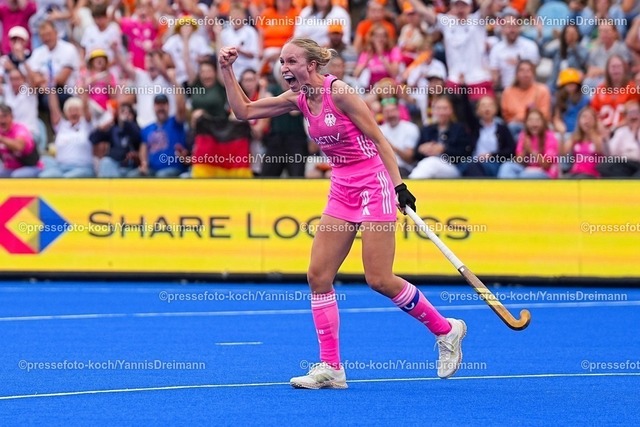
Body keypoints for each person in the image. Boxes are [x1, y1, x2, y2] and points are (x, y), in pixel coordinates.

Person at [219, 38, 466, 389]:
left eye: (291, 61)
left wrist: (399, 186)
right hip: (341, 186)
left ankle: (445, 330)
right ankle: (331, 368)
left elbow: (379, 140)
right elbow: (244, 112)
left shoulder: (342, 93)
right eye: (282, 62)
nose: (284, 68)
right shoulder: (299, 98)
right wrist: (226, 70)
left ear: (312, 65)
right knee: (318, 275)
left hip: (374, 182)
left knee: (379, 279)